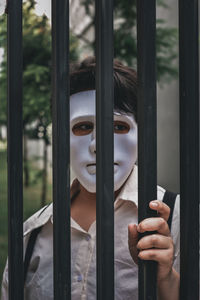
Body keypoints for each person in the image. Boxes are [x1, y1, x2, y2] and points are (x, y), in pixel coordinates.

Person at [1, 56, 180, 300]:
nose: (100, 146)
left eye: (119, 126)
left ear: (142, 137)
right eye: (83, 127)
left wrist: (167, 280)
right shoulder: (31, 235)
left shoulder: (180, 222)